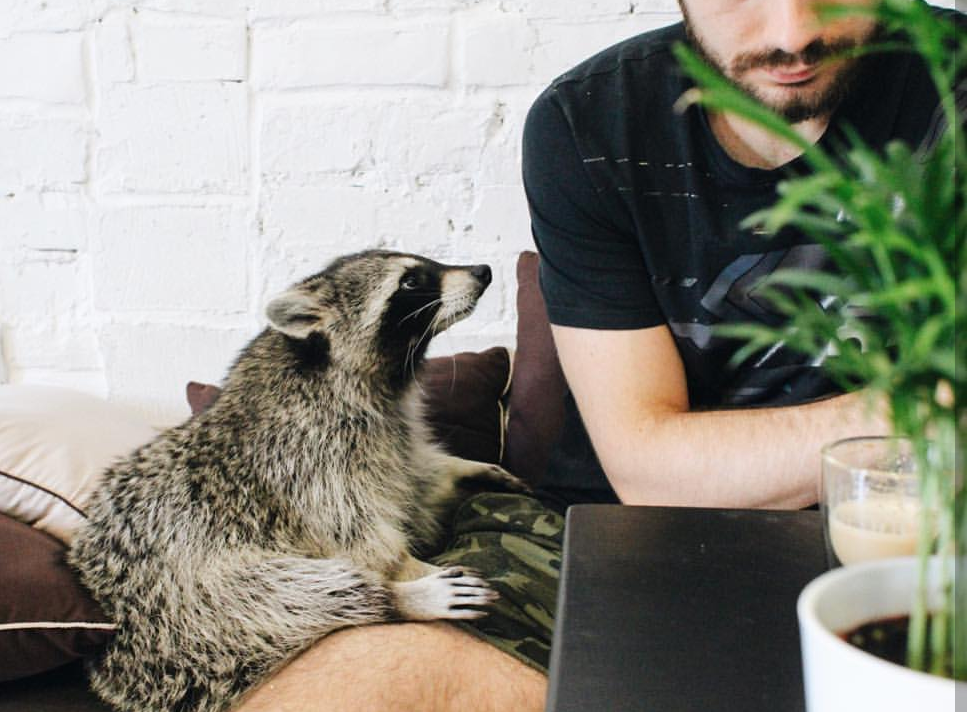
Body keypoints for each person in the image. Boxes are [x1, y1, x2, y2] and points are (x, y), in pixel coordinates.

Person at [232, 2, 954, 710]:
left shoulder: (948, 83)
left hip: (930, 535)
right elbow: (647, 464)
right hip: (608, 536)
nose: (794, 31)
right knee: (362, 677)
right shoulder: (592, 124)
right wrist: (921, 414)